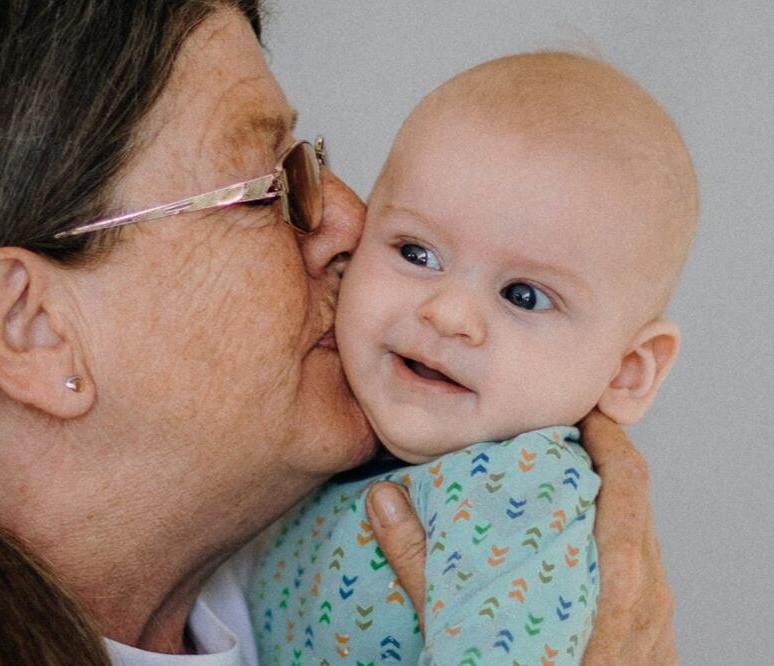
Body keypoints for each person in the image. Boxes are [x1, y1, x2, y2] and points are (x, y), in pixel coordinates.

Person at [0, 2, 677, 664]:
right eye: (268, 187)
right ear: (35, 329)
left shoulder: (264, 590)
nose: (348, 220)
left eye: (317, 161)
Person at [251, 52, 695, 665]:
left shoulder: (524, 487)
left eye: (524, 296)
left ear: (627, 371)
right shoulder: (322, 442)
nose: (448, 313)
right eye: (416, 253)